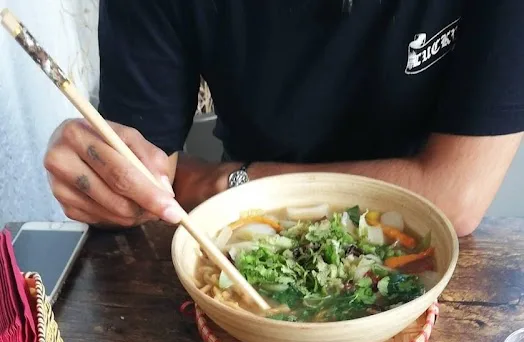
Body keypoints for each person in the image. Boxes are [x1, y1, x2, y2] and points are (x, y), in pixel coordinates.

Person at [44, 0, 523, 237]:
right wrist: (102, 175)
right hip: (243, 234)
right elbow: (146, 171)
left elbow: (455, 196)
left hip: (423, 246)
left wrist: (224, 182)